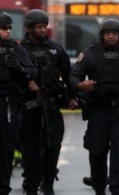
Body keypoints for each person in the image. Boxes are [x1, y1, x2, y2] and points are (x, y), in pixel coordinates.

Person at [70, 18, 119, 195]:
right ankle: (99, 188)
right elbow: (73, 77)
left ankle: (118, 191)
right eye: (108, 33)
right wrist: (80, 86)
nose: (111, 36)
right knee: (97, 152)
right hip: (98, 111)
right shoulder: (90, 54)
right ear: (102, 35)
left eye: (114, 33)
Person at [20, 9, 73, 195]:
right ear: (30, 28)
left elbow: (69, 75)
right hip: (29, 109)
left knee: (53, 147)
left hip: (51, 107)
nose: (43, 30)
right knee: (31, 151)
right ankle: (31, 185)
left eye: (45, 26)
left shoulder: (56, 49)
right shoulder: (20, 50)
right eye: (39, 27)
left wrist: (73, 97)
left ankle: (48, 182)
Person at [0, 11, 37, 195]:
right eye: (3, 28)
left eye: (9, 28)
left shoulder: (15, 49)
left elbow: (32, 72)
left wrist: (19, 69)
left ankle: (3, 187)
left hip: (7, 103)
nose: (8, 31)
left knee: (6, 147)